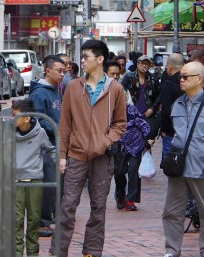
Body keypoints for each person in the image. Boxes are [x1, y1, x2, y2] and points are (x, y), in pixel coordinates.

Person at [48, 39, 127, 257]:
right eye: (81, 57)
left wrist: (105, 140)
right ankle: (57, 252)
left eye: (86, 57)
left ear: (100, 59)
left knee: (98, 207)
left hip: (103, 157)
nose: (81, 61)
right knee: (67, 206)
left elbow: (121, 124)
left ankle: (91, 252)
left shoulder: (116, 89)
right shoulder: (73, 87)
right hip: (76, 155)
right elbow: (64, 125)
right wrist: (62, 155)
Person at [162, 61, 204, 257]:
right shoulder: (177, 104)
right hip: (178, 168)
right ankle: (172, 250)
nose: (180, 80)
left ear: (199, 79)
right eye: (180, 76)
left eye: (185, 77)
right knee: (172, 212)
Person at [12, 99, 56, 256]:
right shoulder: (8, 132)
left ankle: (32, 253)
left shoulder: (40, 133)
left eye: (15, 116)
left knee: (33, 220)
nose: (12, 119)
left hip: (34, 180)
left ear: (26, 118)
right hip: (15, 181)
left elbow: (51, 150)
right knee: (16, 221)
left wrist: (59, 163)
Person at [28, 55, 65, 237]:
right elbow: (39, 120)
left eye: (64, 71)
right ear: (48, 70)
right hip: (44, 146)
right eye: (59, 70)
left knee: (59, 182)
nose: (62, 74)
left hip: (57, 144)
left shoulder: (56, 90)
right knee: (48, 184)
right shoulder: (39, 93)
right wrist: (56, 131)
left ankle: (57, 217)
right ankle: (42, 222)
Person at [108, 60, 151, 212]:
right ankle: (120, 196)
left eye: (117, 74)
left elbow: (133, 111)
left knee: (133, 169)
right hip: (116, 139)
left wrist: (146, 136)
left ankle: (131, 199)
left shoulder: (122, 89)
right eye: (111, 74)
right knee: (119, 171)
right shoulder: (101, 92)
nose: (115, 77)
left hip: (134, 138)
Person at [158, 53, 185, 164]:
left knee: (171, 164)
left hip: (171, 131)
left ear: (169, 67)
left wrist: (164, 129)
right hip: (186, 129)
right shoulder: (188, 82)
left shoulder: (168, 85)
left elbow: (165, 110)